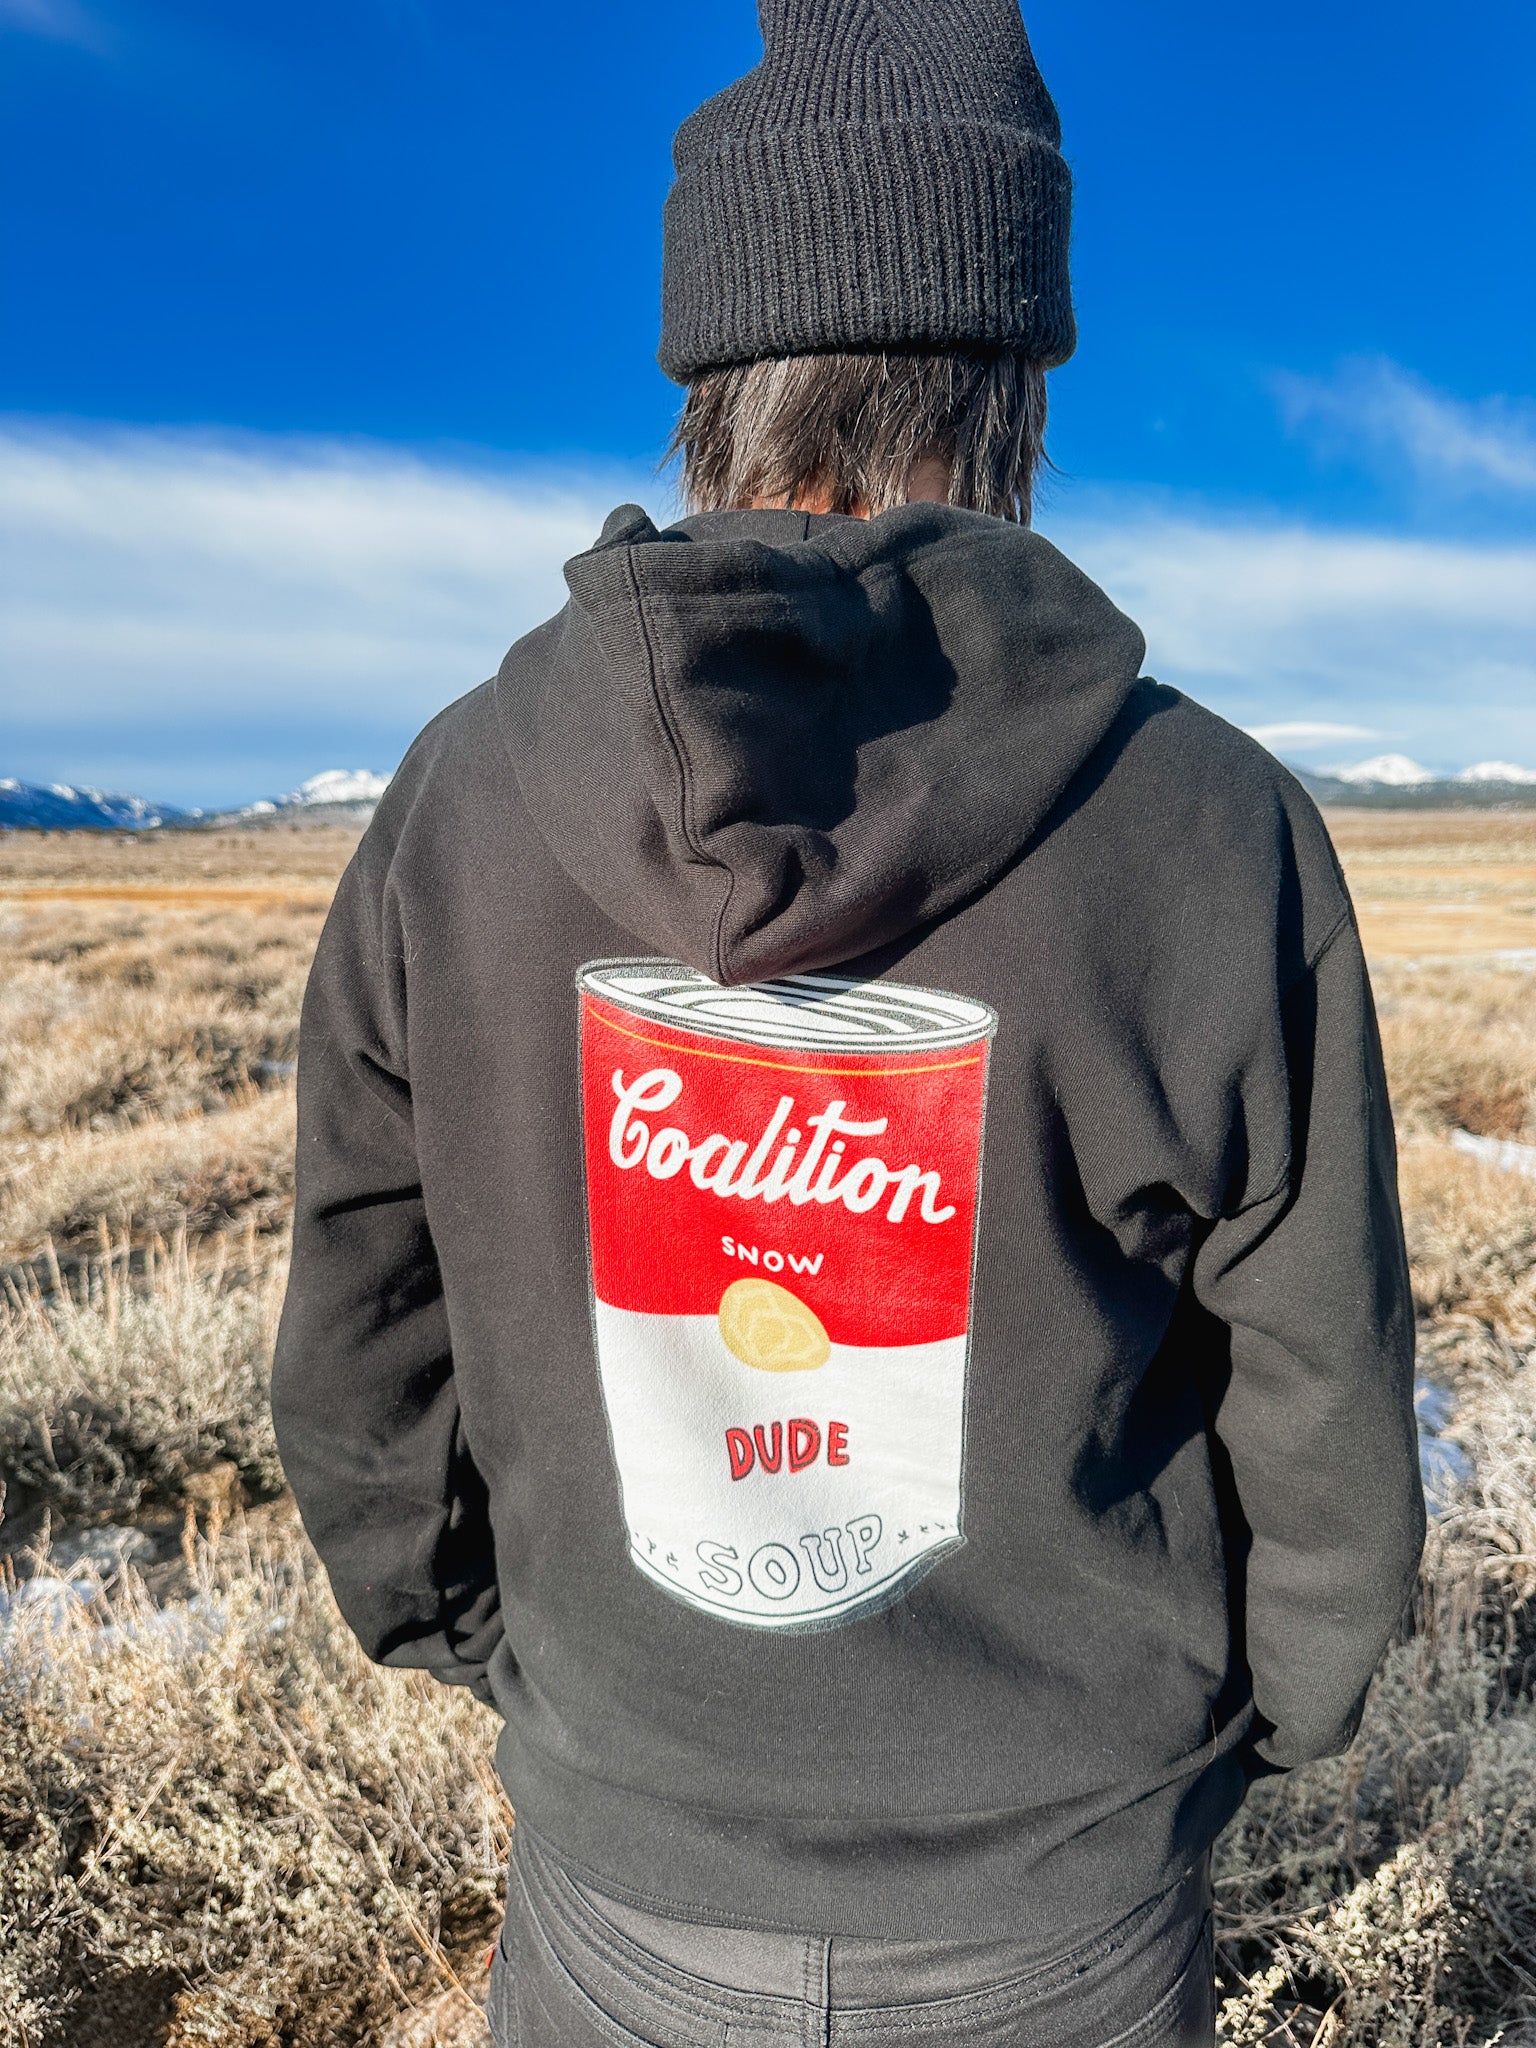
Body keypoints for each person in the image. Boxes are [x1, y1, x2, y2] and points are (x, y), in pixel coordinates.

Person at [271, 3, 1426, 2042]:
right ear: (1011, 383)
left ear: (708, 383)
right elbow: (1322, 1382)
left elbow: (362, 1333)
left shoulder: (460, 800)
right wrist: (1277, 1717)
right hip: (1066, 1913)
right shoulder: (1210, 824)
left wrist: (487, 1647)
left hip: (622, 1884)